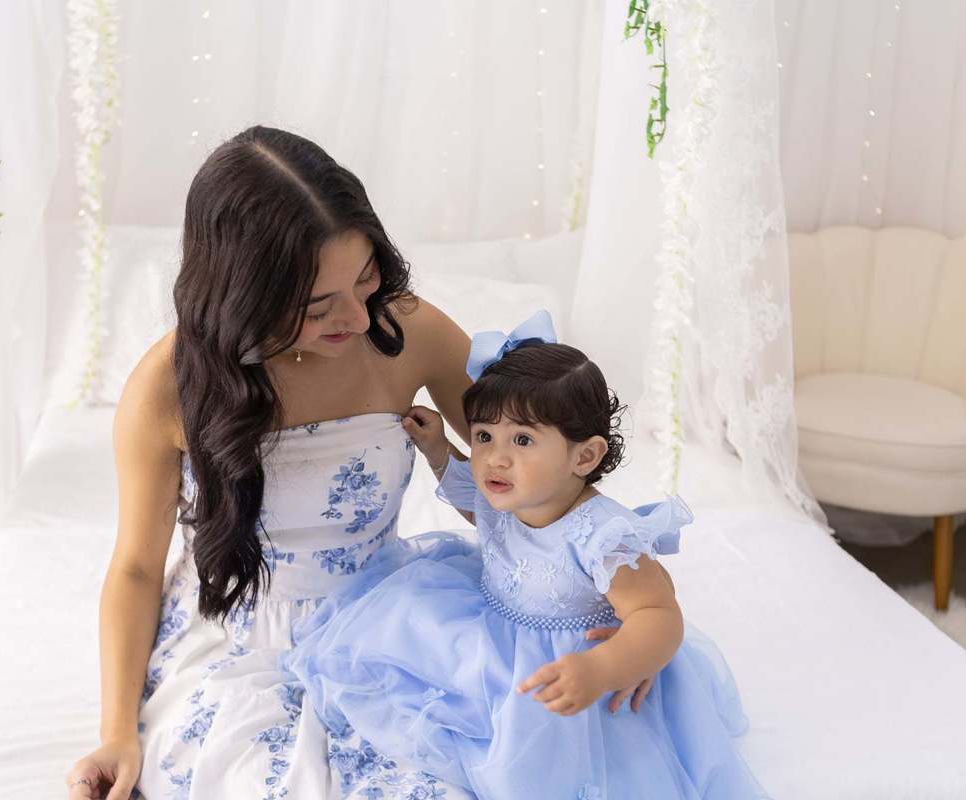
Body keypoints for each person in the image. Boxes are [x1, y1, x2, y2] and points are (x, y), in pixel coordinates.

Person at [64, 125, 482, 799]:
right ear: (245, 295)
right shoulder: (168, 386)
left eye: (365, 277)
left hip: (387, 621)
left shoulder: (406, 330)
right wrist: (116, 731)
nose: (357, 317)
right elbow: (137, 567)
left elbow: (533, 474)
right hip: (240, 640)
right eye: (318, 307)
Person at [282, 311, 767, 799]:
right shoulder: (513, 493)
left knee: (537, 757)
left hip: (569, 668)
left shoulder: (604, 537)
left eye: (523, 440)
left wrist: (605, 667)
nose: (495, 457)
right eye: (484, 436)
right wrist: (438, 450)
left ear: (584, 456)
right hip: (492, 634)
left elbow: (657, 612)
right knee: (400, 642)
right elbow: (482, 515)